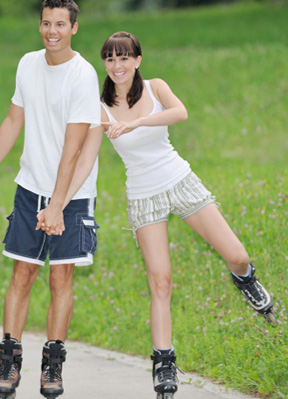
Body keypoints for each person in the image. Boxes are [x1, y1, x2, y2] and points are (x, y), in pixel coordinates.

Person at [62, 31, 276, 398]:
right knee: (160, 282)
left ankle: (246, 280)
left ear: (138, 61)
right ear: (105, 64)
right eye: (111, 59)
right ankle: (164, 362)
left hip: (180, 180)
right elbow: (87, 157)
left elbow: (181, 113)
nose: (118, 65)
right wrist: (61, 199)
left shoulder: (156, 88)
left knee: (238, 255)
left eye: (124, 57)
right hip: (144, 197)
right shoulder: (100, 108)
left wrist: (136, 123)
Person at [0, 1, 102, 398]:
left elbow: (73, 148)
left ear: (74, 27)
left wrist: (57, 204)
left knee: (61, 277)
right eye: (46, 23)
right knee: (22, 274)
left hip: (72, 194)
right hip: (30, 188)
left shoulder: (83, 75)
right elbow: (12, 120)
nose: (51, 31)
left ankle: (52, 366)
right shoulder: (27, 64)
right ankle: (9, 362)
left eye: (60, 24)